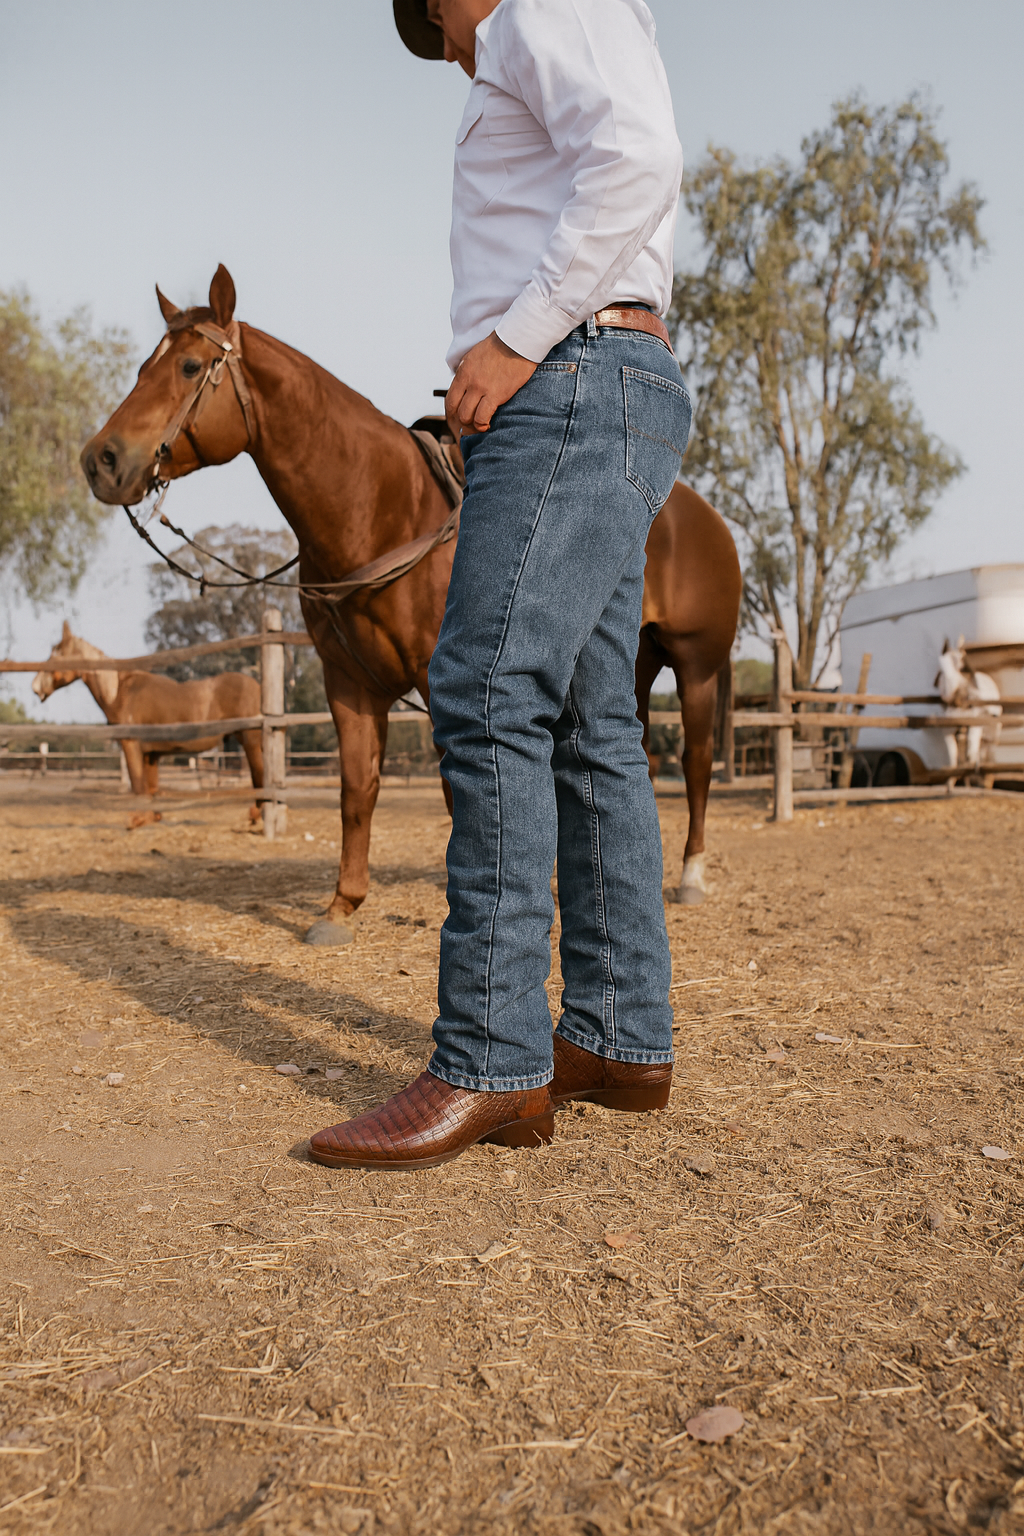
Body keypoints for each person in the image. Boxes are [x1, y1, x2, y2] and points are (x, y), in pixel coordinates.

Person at [309, 0, 689, 1171]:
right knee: (588, 719)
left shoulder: (532, 8)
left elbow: (637, 159)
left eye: (446, 38)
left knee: (479, 689)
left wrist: (516, 340)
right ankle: (619, 1039)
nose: (461, 61)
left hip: (567, 382)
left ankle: (489, 1057)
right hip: (606, 378)